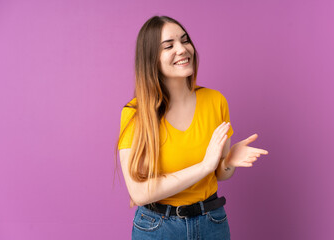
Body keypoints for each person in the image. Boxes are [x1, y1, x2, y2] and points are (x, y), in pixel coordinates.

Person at [115, 15, 269, 240]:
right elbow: (139, 193)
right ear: (151, 59)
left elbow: (220, 174)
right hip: (157, 228)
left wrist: (228, 162)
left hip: (212, 222)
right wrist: (204, 166)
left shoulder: (215, 101)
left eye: (185, 40)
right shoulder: (135, 113)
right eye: (169, 45)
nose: (182, 49)